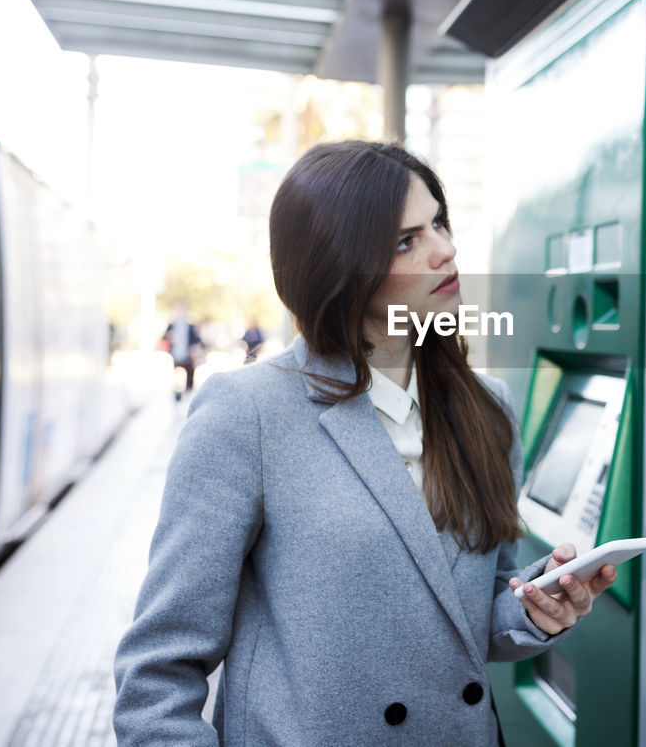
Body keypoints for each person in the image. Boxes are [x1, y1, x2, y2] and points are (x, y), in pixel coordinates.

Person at [113, 141, 615, 745]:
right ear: (339, 269)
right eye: (406, 241)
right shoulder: (247, 415)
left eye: (438, 223)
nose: (445, 250)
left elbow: (468, 616)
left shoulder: (487, 408)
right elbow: (157, 676)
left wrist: (536, 608)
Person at [162, 302, 202, 401]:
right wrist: (169, 337)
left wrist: (194, 348)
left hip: (187, 356)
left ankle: (187, 395)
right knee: (177, 377)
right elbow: (164, 338)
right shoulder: (171, 325)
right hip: (176, 355)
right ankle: (177, 395)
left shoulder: (190, 326)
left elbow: (197, 339)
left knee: (189, 375)